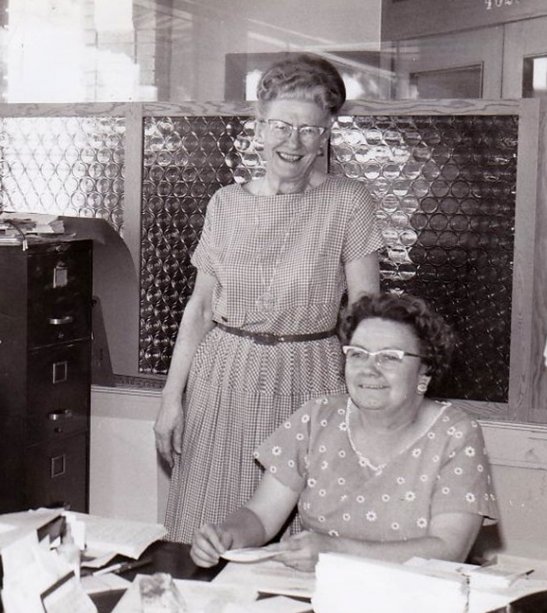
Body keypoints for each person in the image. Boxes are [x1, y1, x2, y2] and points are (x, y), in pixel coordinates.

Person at [156, 53, 383, 543]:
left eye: (309, 130)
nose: (293, 142)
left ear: (325, 136)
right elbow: (198, 310)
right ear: (258, 128)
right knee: (207, 530)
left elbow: (367, 310)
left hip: (311, 378)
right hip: (222, 377)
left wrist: (367, 399)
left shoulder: (349, 202)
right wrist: (172, 399)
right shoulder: (225, 204)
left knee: (301, 536)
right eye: (281, 126)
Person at [190, 293, 499, 570]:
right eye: (358, 354)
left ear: (425, 372)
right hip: (317, 594)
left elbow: (449, 550)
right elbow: (260, 516)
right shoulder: (316, 418)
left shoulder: (456, 434)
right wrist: (227, 535)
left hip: (414, 602)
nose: (369, 369)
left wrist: (334, 551)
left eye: (390, 357)